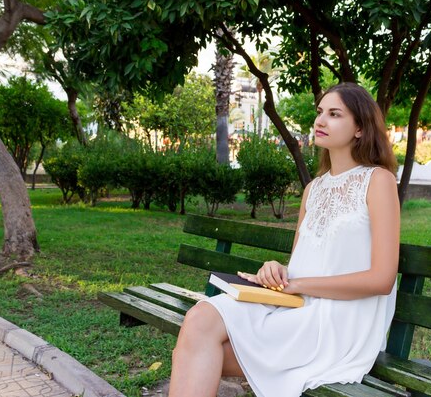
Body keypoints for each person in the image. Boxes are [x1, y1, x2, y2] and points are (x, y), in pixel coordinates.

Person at [169, 82, 400, 397]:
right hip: (295, 306)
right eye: (320, 112)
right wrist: (278, 270)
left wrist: (297, 285)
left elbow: (382, 280)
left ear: (360, 128)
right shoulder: (314, 189)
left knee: (194, 354)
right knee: (199, 320)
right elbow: (302, 263)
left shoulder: (378, 181)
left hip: (338, 321)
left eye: (334, 114)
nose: (320, 121)